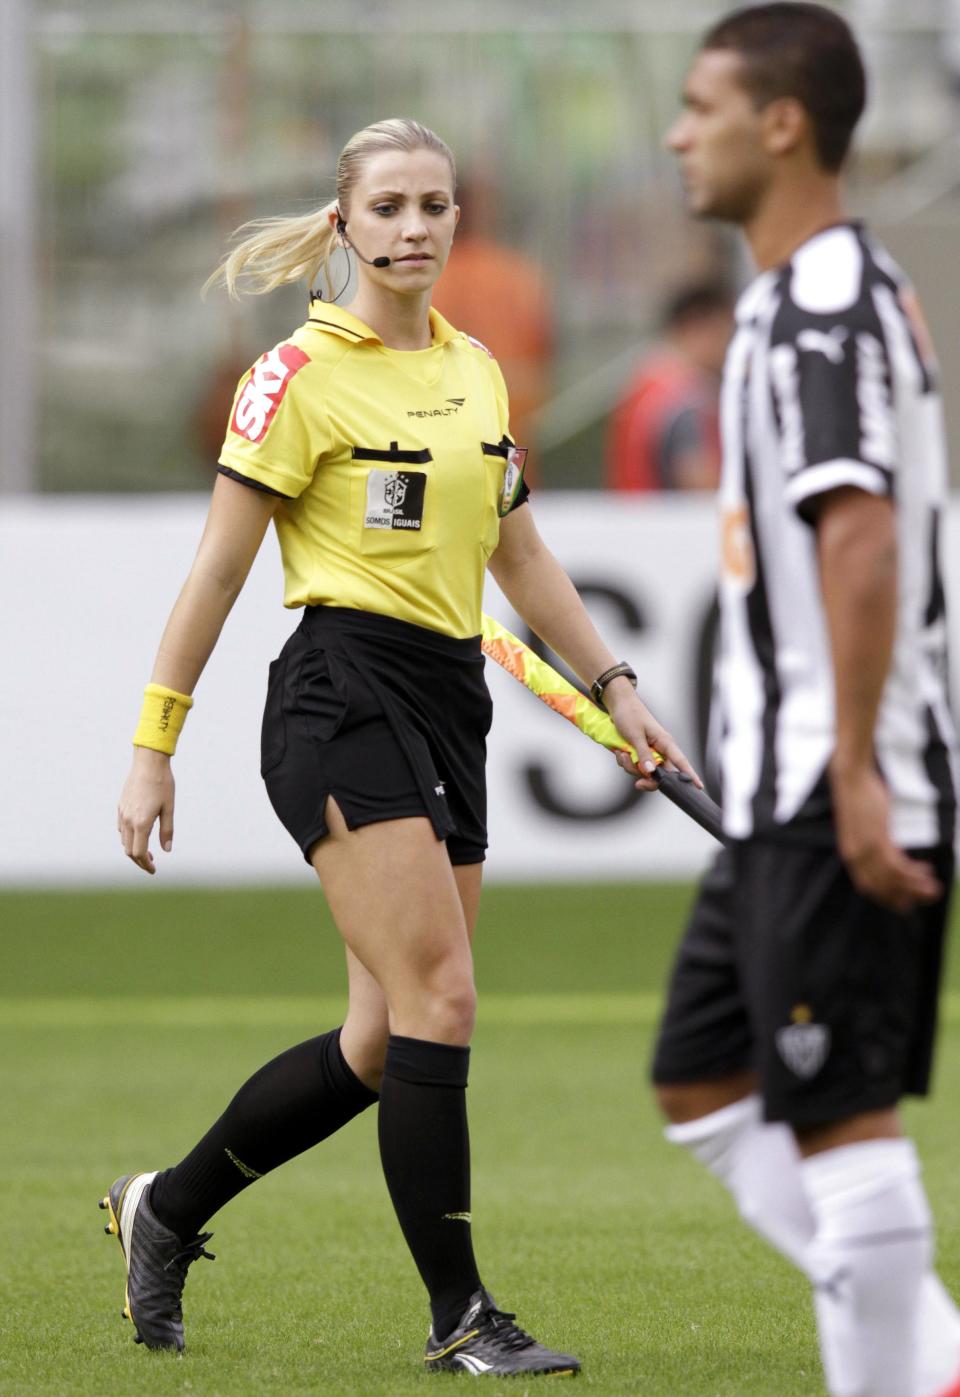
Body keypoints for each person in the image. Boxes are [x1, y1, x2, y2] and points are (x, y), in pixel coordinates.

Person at [107, 117, 696, 1378]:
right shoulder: (296, 376)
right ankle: (461, 1315)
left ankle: (164, 1206)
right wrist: (154, 745)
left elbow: (520, 554)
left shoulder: (480, 369)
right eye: (389, 207)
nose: (416, 225)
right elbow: (216, 573)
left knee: (384, 1038)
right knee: (445, 999)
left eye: (435, 204)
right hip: (338, 691)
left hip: (447, 698)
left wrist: (619, 686)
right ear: (345, 226)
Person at [640, 7, 960, 1396]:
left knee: (843, 1124)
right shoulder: (786, 297)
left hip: (834, 780)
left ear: (782, 123)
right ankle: (935, 1349)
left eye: (700, 104)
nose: (675, 132)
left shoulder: (826, 296)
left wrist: (856, 773)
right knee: (702, 1079)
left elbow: (863, 535)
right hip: (784, 790)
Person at [605, 280, 733, 492]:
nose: (728, 346)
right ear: (698, 326)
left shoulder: (641, 384)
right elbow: (701, 488)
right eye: (724, 331)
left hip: (632, 518)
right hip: (667, 522)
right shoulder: (683, 400)